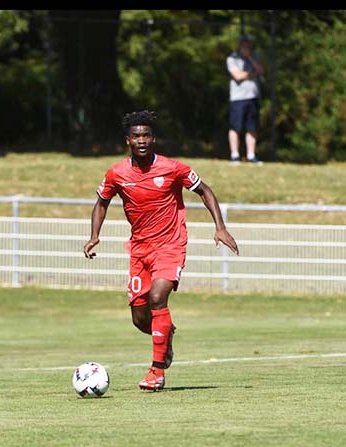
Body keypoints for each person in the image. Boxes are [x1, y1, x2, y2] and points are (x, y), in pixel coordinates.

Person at [83, 110, 240, 391]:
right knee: (140, 318)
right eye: (136, 136)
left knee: (158, 297)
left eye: (146, 135)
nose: (141, 140)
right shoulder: (117, 173)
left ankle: (156, 372)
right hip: (139, 249)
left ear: (153, 138)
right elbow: (102, 202)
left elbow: (205, 190)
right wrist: (94, 236)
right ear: (127, 140)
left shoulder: (173, 168)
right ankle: (166, 335)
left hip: (170, 245)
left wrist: (220, 227)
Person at [226, 34, 265, 165]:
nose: (246, 46)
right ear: (240, 44)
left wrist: (249, 58)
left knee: (252, 127)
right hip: (238, 98)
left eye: (248, 44)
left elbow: (260, 70)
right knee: (235, 127)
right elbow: (237, 76)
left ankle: (251, 155)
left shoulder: (255, 56)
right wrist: (252, 74)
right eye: (244, 43)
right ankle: (235, 155)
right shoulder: (232, 58)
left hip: (253, 96)